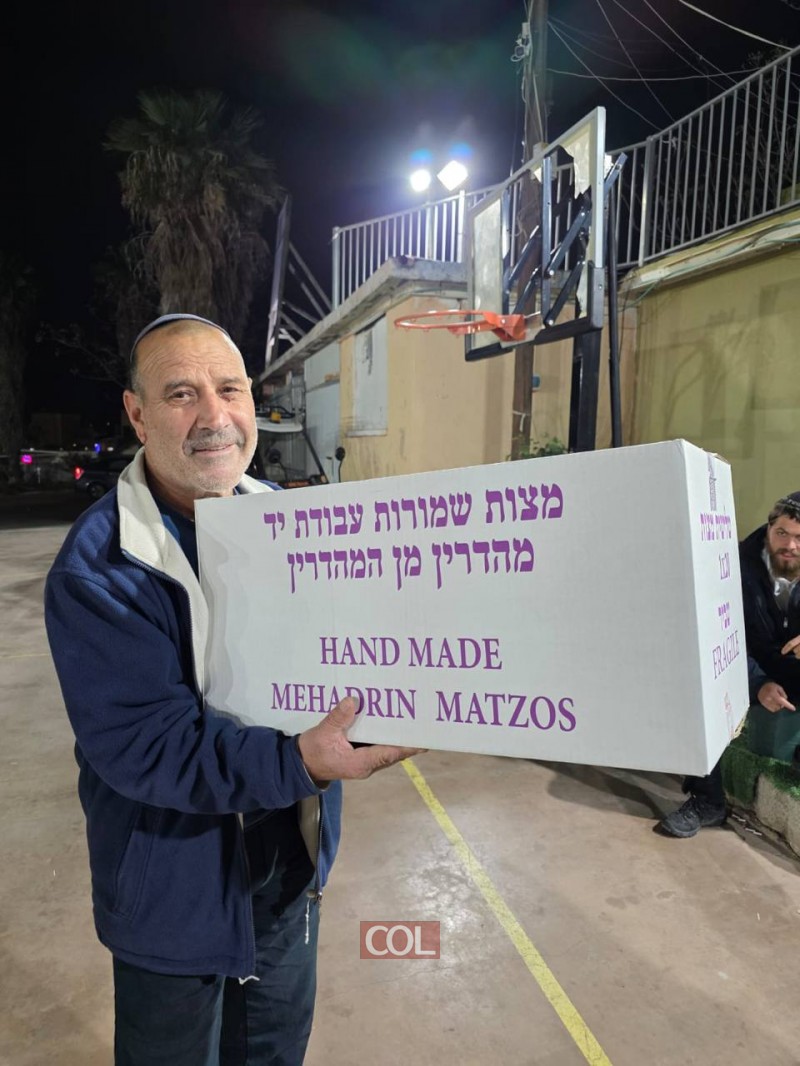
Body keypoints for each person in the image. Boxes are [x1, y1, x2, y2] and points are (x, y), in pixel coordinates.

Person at [44, 313, 423, 1066]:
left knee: (275, 1051)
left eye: (230, 389)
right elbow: (151, 749)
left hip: (287, 872)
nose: (214, 417)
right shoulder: (98, 570)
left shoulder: (295, 526)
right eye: (181, 394)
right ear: (137, 414)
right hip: (172, 889)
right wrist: (300, 761)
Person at [656, 492, 800, 838]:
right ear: (768, 528)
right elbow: (717, 639)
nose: (791, 545)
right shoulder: (733, 566)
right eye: (782, 533)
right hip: (748, 668)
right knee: (695, 680)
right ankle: (707, 800)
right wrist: (757, 684)